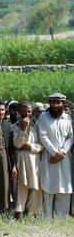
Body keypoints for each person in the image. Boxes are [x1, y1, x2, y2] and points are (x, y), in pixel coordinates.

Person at [37, 93, 73, 222]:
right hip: (49, 158)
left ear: (63, 104)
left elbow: (70, 137)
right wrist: (54, 153)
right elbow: (43, 136)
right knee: (48, 187)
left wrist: (62, 151)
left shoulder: (68, 119)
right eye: (53, 103)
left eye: (58, 103)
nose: (55, 105)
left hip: (64, 158)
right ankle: (47, 220)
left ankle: (61, 221)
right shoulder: (43, 118)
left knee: (64, 188)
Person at [12, 101, 43, 218]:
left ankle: (33, 214)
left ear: (32, 113)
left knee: (35, 188)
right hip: (21, 161)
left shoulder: (36, 127)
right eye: (24, 111)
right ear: (19, 112)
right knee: (21, 188)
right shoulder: (14, 127)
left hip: (34, 161)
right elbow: (17, 144)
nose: (26, 114)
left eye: (29, 111)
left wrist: (31, 146)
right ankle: (19, 214)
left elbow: (41, 145)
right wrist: (24, 130)